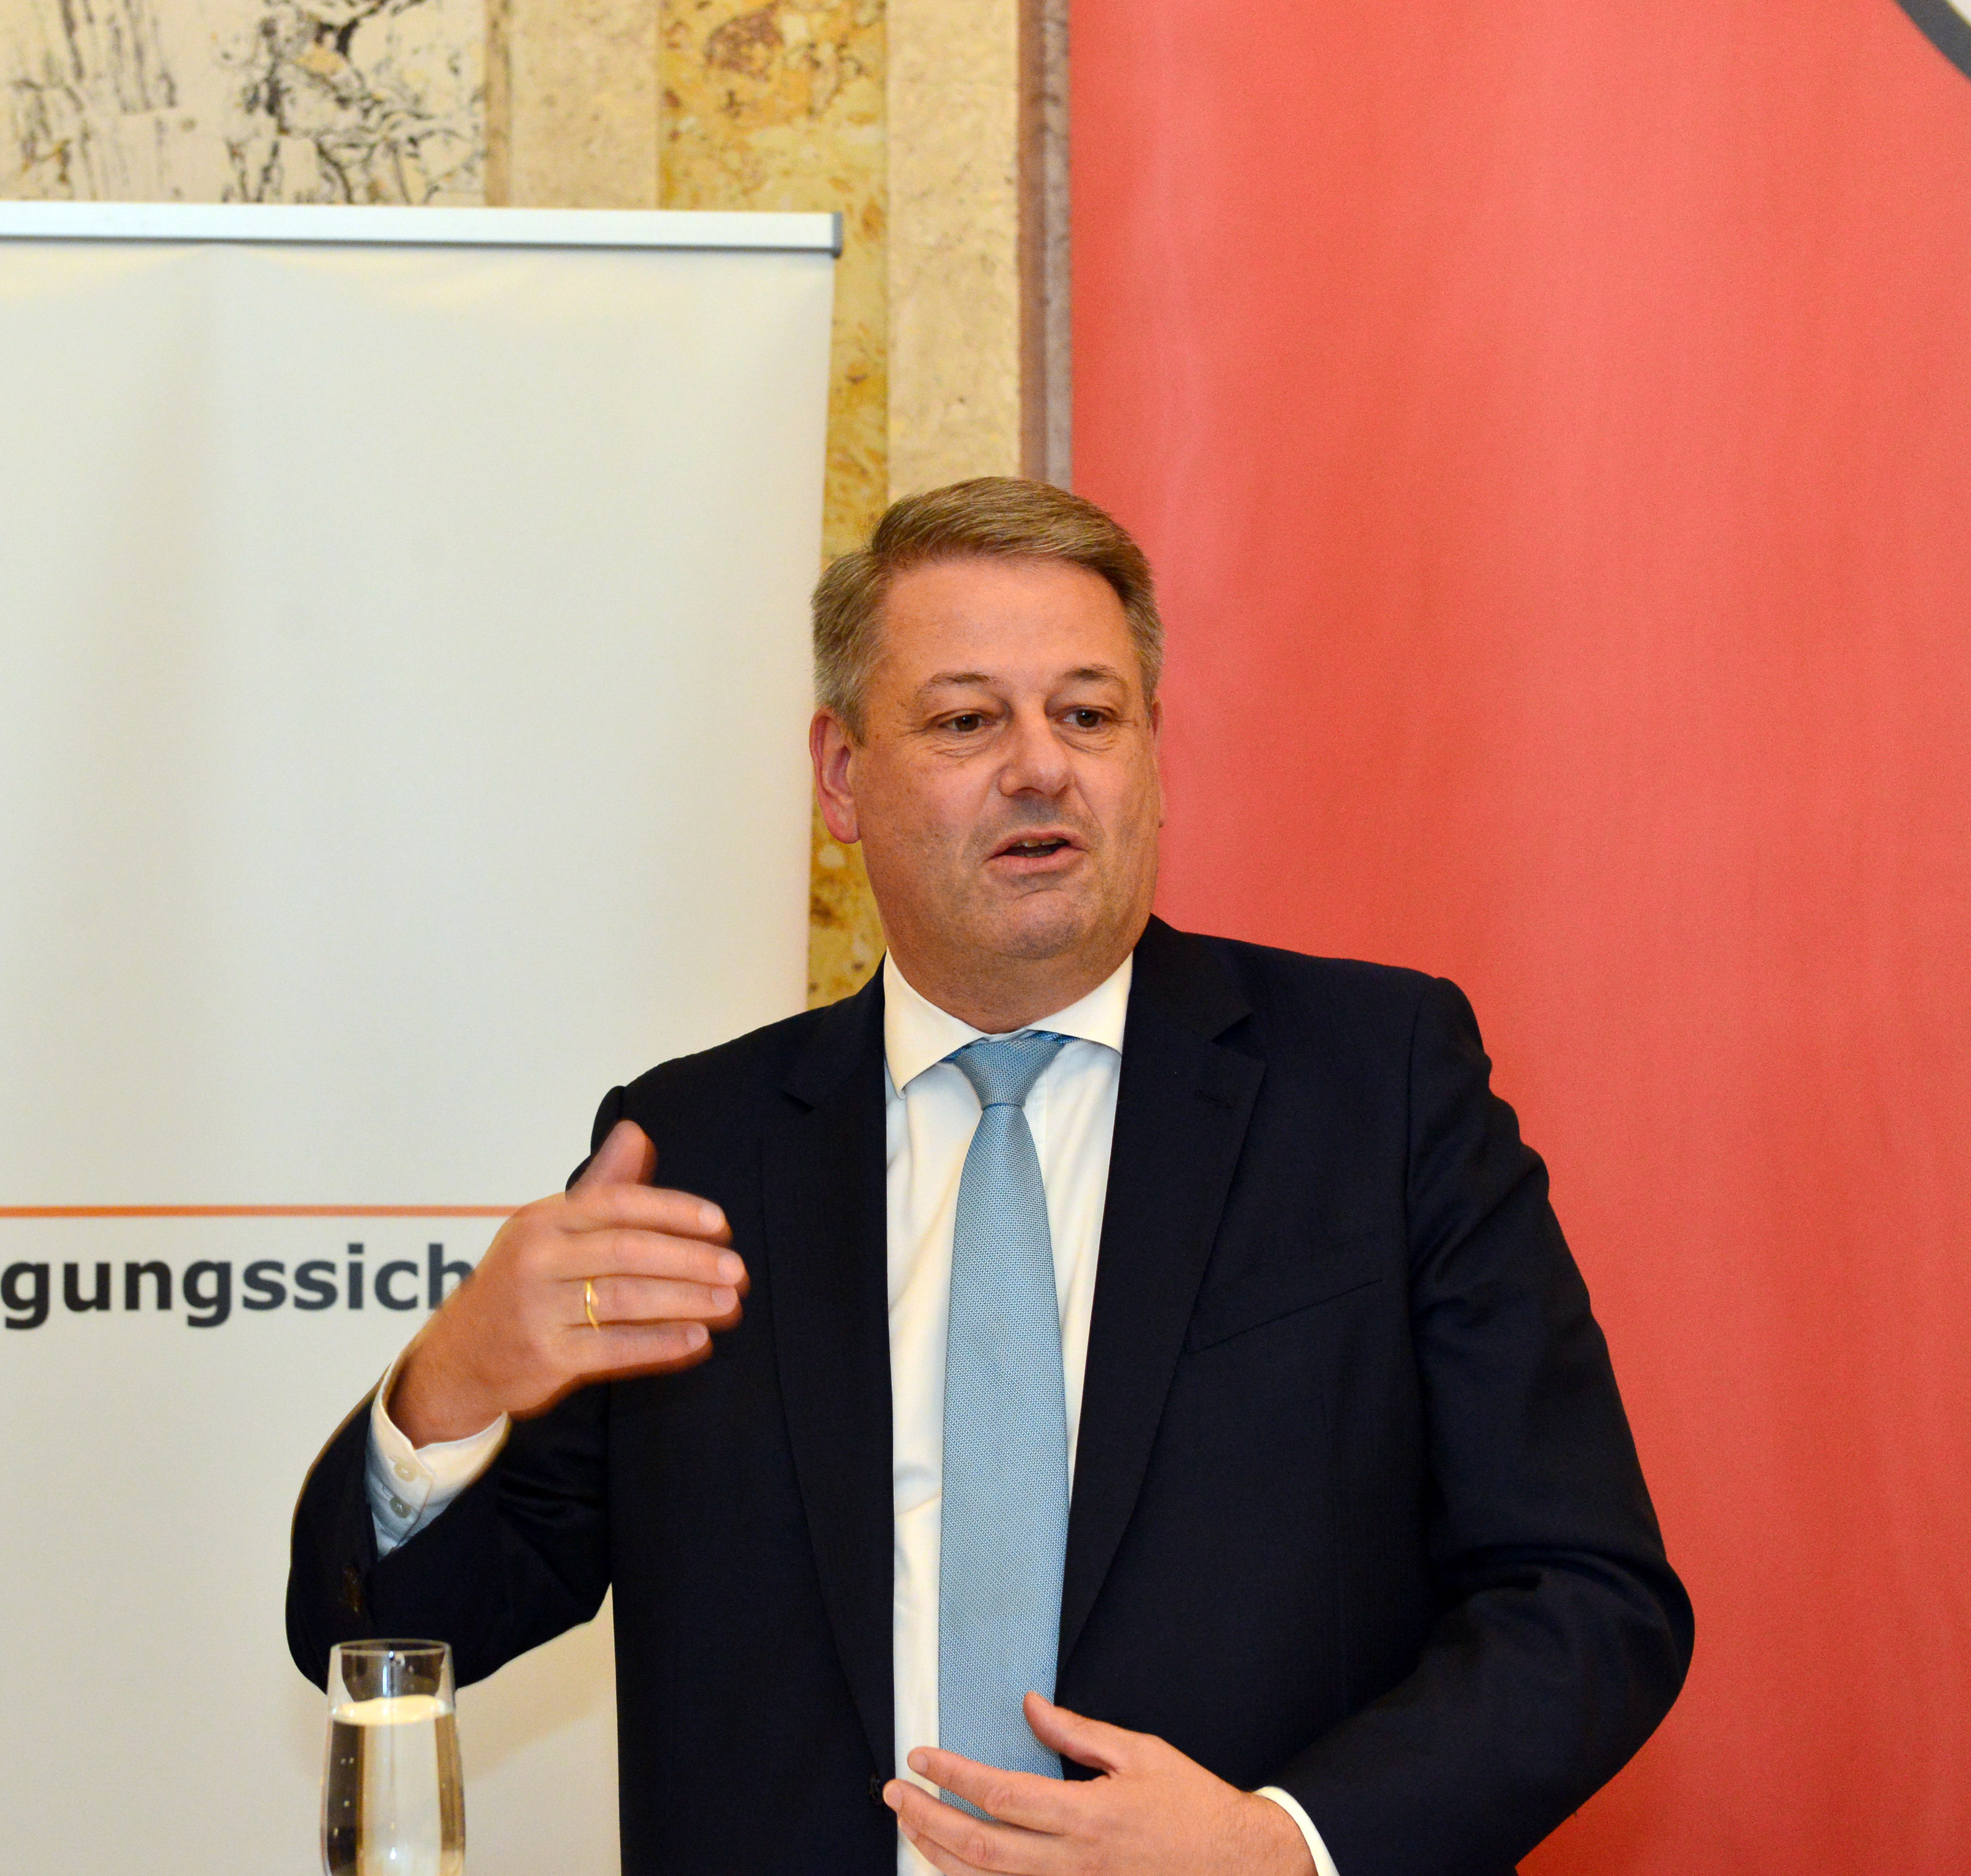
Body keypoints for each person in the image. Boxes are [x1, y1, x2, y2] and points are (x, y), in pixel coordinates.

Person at [286, 478, 1690, 1876]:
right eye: (967, 720)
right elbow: (390, 1637)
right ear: (841, 777)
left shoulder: (1375, 1085)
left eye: (1088, 714)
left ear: (1152, 753)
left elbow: (1584, 1596)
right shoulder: (697, 1149)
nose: (1040, 767)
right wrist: (452, 1382)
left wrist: (1278, 1846)